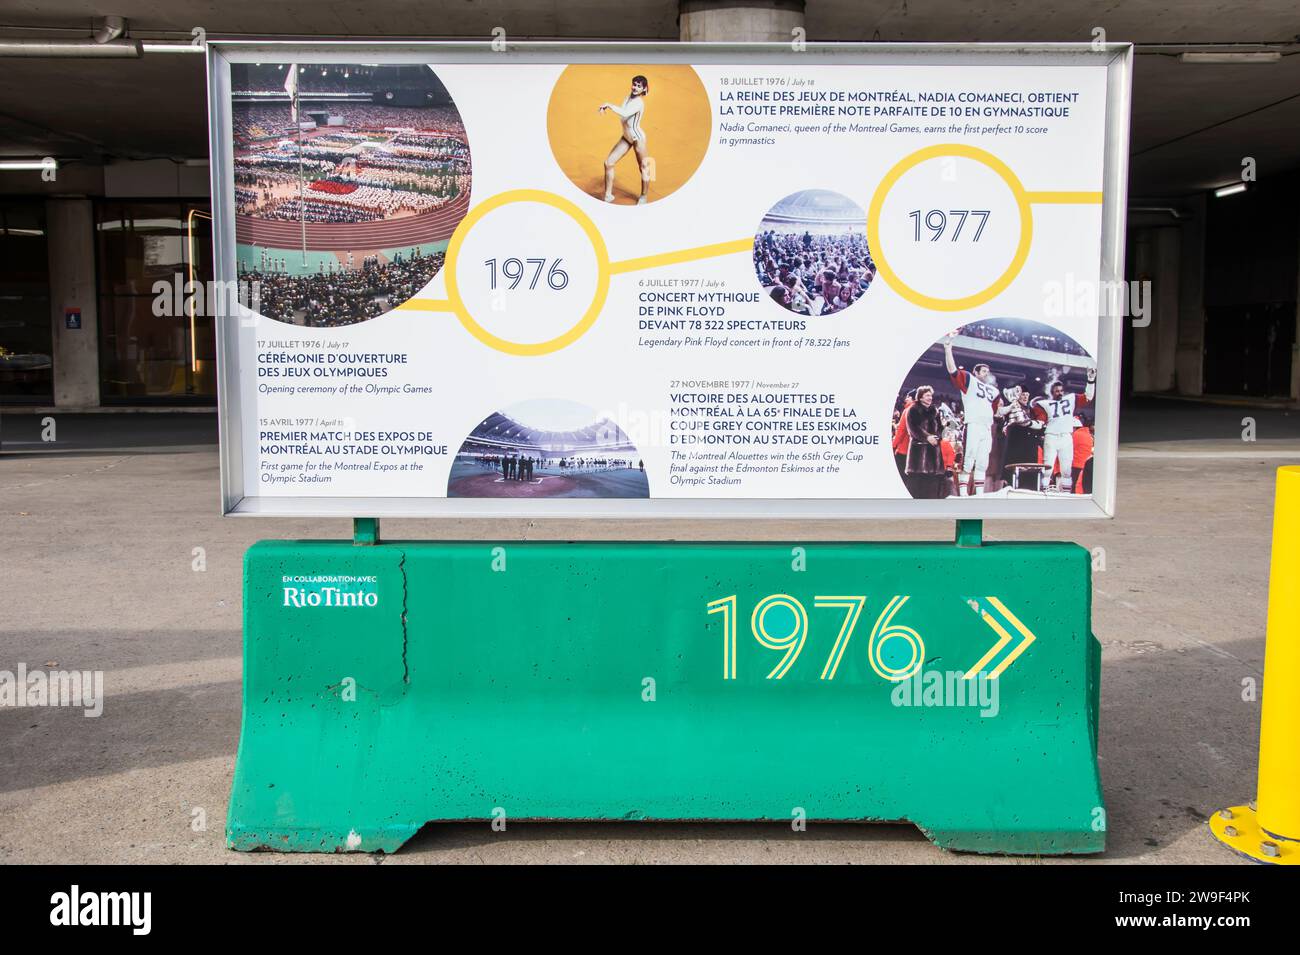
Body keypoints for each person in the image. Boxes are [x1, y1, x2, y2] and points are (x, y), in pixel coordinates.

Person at [943, 333, 1000, 495]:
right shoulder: (970, 380)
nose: (986, 374)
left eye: (988, 372)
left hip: (987, 427)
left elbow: (996, 411)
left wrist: (1012, 407)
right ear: (976, 373)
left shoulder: (994, 391)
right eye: (983, 371)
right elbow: (953, 371)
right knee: (968, 460)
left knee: (983, 462)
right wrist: (948, 350)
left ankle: (980, 495)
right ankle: (963, 495)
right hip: (973, 424)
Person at [1031, 367, 1096, 492]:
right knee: (1048, 469)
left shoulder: (1070, 399)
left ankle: (1066, 494)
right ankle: (1044, 491)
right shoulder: (1045, 404)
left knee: (1067, 470)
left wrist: (1091, 380)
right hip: (1051, 436)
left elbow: (1088, 396)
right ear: (1052, 393)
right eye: (1056, 391)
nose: (1059, 393)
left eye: (1061, 391)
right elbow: (1039, 419)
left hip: (1066, 436)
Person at [598, 75, 650, 205]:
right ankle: (608, 196)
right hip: (626, 137)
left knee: (644, 167)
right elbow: (624, 113)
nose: (635, 87)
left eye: (639, 86)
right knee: (608, 163)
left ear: (643, 89)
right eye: (634, 84)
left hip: (637, 139)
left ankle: (644, 196)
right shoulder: (628, 96)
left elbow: (625, 113)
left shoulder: (639, 103)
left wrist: (608, 105)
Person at [904, 386, 945, 499]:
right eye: (927, 395)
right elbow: (913, 429)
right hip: (918, 453)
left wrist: (938, 437)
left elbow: (940, 428)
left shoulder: (935, 410)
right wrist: (927, 437)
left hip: (933, 452)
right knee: (916, 485)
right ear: (920, 397)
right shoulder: (913, 409)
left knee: (931, 484)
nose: (930, 398)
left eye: (931, 395)